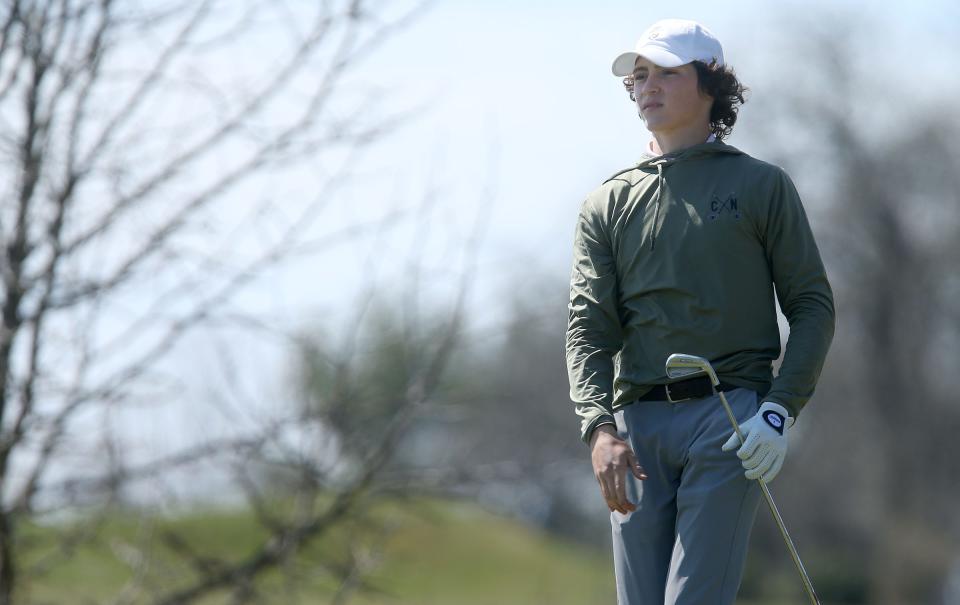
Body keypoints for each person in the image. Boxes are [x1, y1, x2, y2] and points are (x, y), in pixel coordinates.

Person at [564, 18, 835, 605]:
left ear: (709, 85)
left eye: (665, 73)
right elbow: (588, 329)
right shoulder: (606, 202)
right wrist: (598, 428)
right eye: (639, 77)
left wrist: (778, 412)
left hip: (729, 416)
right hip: (635, 427)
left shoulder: (761, 184)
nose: (647, 87)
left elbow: (812, 305)